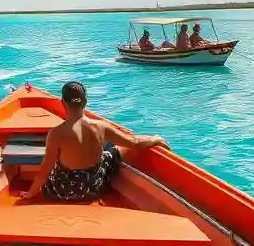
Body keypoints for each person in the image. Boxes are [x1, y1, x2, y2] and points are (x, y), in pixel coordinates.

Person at [19, 82, 169, 203]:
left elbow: (45, 170)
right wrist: (154, 138)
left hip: (61, 192)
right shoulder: (101, 127)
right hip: (92, 189)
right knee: (117, 149)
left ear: (62, 103)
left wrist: (31, 193)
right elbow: (134, 142)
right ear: (85, 101)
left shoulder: (56, 133)